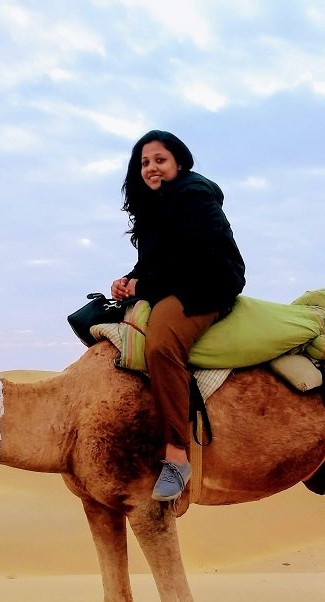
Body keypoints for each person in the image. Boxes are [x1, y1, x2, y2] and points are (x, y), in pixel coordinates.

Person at [110, 130, 246, 502]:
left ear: (178, 163)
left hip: (206, 285)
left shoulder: (194, 196)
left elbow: (195, 260)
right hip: (173, 283)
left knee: (160, 345)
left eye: (159, 160)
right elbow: (154, 264)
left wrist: (145, 287)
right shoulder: (153, 207)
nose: (151, 168)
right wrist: (128, 281)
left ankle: (176, 454)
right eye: (144, 162)